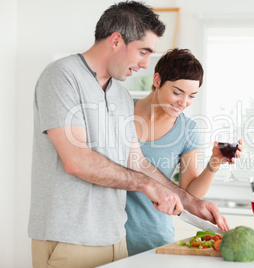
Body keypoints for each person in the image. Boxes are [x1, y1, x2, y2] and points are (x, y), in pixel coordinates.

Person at [28, 2, 229, 268]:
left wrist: (190, 202)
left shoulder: (120, 94)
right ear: (116, 40)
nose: (146, 64)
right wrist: (148, 186)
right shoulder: (63, 76)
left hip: (116, 238)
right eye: (143, 52)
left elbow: (137, 161)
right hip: (70, 237)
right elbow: (77, 160)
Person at [125, 48, 242, 255]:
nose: (184, 103)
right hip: (109, 236)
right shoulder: (121, 111)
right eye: (177, 92)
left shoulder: (187, 131)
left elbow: (189, 195)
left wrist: (214, 163)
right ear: (157, 79)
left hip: (153, 237)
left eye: (191, 96)